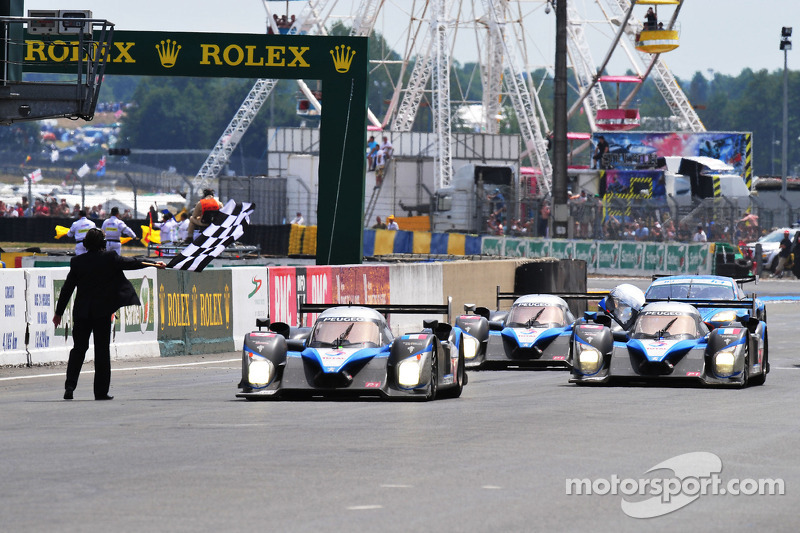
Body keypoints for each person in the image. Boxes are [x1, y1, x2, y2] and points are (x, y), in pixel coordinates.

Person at [52, 228, 166, 400]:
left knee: (79, 349)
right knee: (102, 351)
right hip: (102, 312)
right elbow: (133, 262)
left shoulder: (77, 262)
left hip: (82, 312)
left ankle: (70, 386)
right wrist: (155, 263)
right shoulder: (110, 258)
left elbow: (67, 289)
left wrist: (59, 313)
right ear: (102, 243)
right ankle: (100, 392)